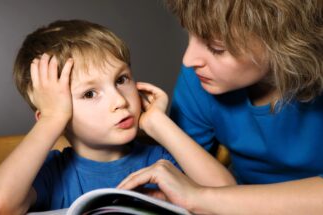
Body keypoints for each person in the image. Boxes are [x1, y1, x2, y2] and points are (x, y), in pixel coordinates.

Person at [0, 19, 234, 214]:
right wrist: (52, 119)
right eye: (90, 93)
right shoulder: (51, 173)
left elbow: (228, 196)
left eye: (121, 79)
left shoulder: (160, 161)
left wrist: (158, 123)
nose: (120, 101)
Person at [118, 0, 323, 214]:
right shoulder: (198, 81)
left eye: (217, 48)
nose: (188, 60)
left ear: (284, 41)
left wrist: (199, 198)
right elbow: (184, 179)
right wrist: (157, 124)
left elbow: (196, 195)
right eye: (190, 34)